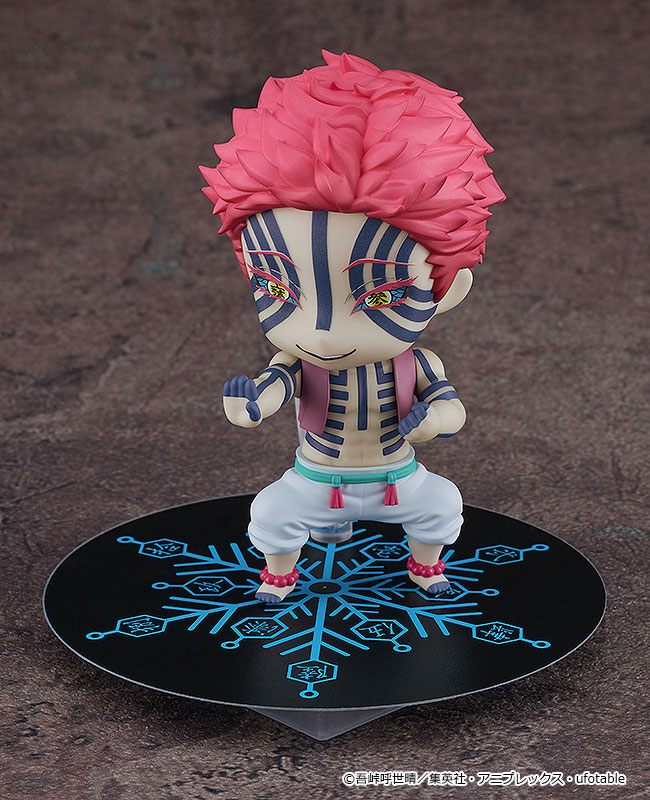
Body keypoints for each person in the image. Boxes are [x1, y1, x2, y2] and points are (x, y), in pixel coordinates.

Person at [200, 51, 505, 602]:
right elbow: (274, 387)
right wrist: (249, 406)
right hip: (317, 481)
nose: (323, 334)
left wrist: (434, 421)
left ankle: (426, 566)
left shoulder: (419, 363)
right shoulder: (297, 361)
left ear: (447, 290)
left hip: (398, 480)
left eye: (380, 293)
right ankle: (279, 574)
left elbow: (451, 408)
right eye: (275, 287)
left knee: (442, 505)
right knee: (271, 513)